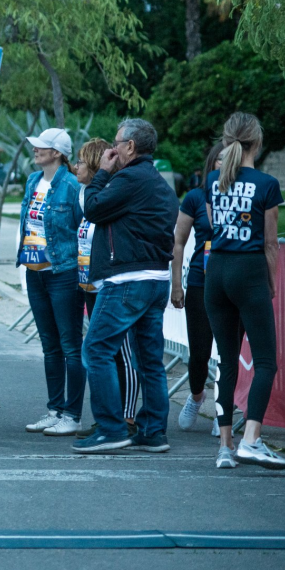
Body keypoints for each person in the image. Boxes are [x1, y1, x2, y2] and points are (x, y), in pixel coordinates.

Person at [74, 119, 178, 454]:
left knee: (96, 349)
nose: (110, 150)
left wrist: (101, 174)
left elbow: (92, 208)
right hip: (156, 280)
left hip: (126, 281)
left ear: (130, 147)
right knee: (149, 359)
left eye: (116, 144)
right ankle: (152, 431)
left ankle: (111, 428)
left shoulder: (129, 179)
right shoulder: (159, 183)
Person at [205, 113, 285, 469]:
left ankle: (225, 446)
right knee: (266, 360)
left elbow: (214, 225)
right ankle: (252, 439)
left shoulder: (213, 179)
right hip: (249, 270)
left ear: (226, 141)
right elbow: (270, 244)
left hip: (217, 271)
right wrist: (271, 282)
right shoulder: (266, 183)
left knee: (226, 361)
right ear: (258, 141)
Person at [18, 128, 86, 437]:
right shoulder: (34, 181)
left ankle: (72, 415)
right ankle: (55, 409)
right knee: (49, 345)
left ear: (57, 153)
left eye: (42, 147)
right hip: (35, 271)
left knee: (70, 345)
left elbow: (79, 227)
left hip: (63, 272)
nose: (36, 150)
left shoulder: (71, 186)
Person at [75, 138, 138, 438]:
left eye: (81, 162)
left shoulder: (112, 195)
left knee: (121, 353)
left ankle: (126, 416)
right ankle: (107, 417)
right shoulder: (86, 195)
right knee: (100, 353)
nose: (75, 167)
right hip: (90, 284)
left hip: (113, 284)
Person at [171, 142, 223, 432]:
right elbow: (178, 242)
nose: (223, 166)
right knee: (200, 352)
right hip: (201, 283)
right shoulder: (195, 197)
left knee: (227, 353)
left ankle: (222, 412)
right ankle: (195, 396)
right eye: (218, 161)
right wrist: (176, 284)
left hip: (232, 285)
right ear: (211, 164)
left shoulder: (243, 196)